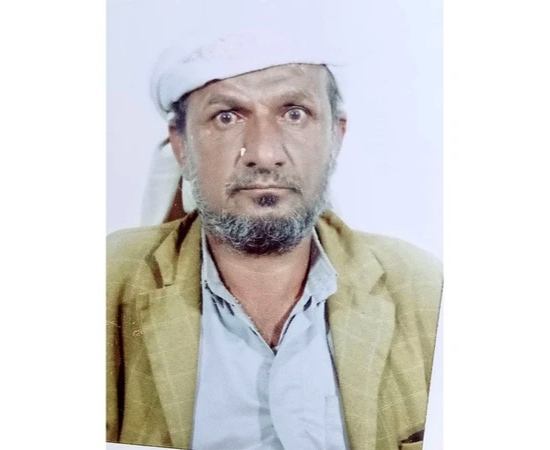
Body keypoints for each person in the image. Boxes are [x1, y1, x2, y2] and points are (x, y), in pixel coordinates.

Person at [107, 28, 443, 450]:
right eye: (227, 117)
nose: (264, 154)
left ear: (336, 136)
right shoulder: (107, 283)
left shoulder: (422, 291)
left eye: (294, 113)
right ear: (181, 145)